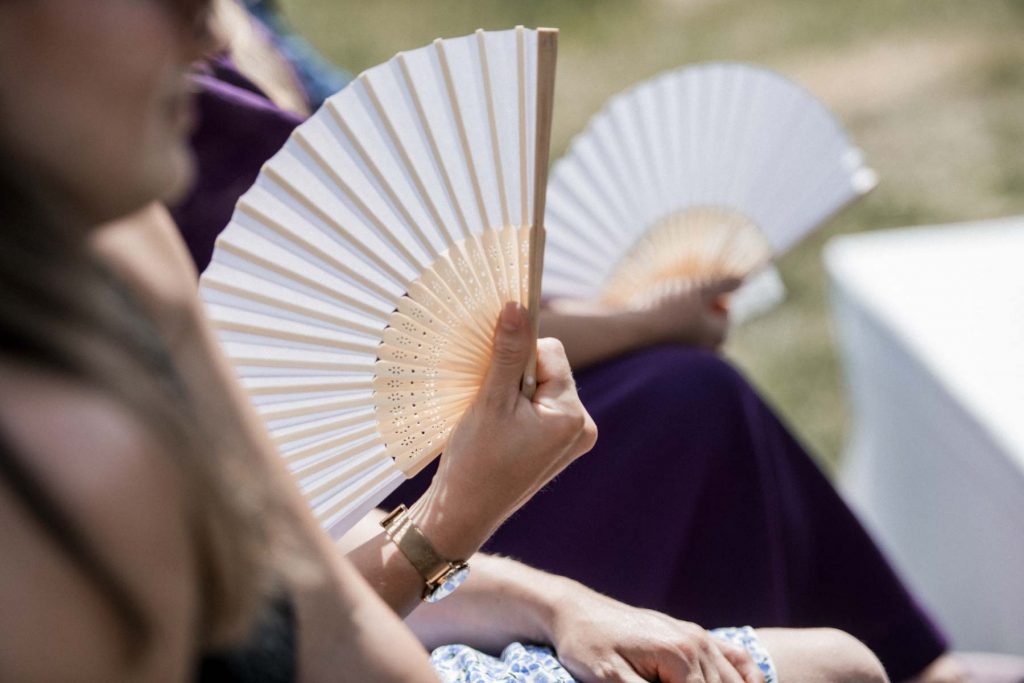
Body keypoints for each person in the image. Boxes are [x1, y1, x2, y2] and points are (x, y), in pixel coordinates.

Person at [0, 1, 890, 682]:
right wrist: (457, 514)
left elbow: (323, 620)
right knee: (684, 402)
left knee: (841, 660)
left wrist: (541, 589)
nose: (203, 29)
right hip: (388, 508)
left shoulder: (133, 243)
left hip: (390, 589)